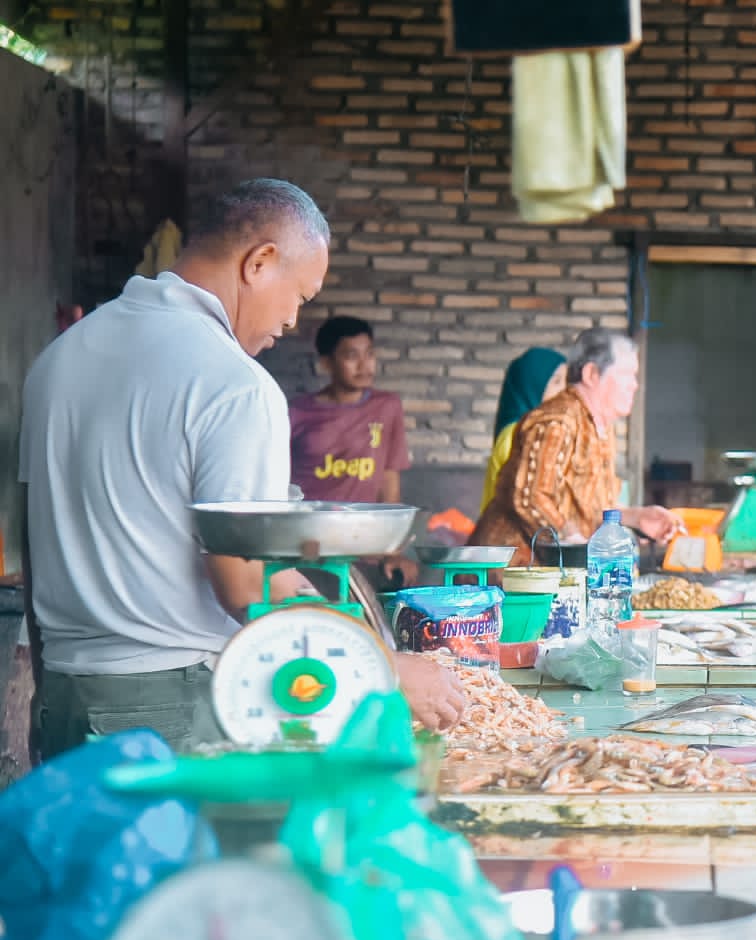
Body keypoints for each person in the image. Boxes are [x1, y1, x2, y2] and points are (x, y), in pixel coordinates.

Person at [19, 178, 466, 759]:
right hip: (169, 706)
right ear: (259, 262)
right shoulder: (235, 383)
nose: (291, 321)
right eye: (299, 296)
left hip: (62, 694)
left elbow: (33, 542)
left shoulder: (60, 357)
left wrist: (47, 689)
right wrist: (385, 665)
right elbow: (249, 584)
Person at [471, 328, 680, 561]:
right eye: (627, 375)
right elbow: (531, 498)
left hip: (555, 571)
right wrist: (575, 542)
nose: (635, 385)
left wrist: (636, 518)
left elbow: (588, 509)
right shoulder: (557, 421)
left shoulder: (601, 428)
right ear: (591, 374)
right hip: (511, 572)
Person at [289, 315, 416, 583]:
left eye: (369, 354)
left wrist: (393, 551)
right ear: (327, 362)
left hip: (365, 549)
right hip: (308, 548)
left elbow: (389, 479)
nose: (364, 365)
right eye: (351, 355)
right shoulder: (297, 412)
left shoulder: (387, 406)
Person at [481, 347, 568, 514]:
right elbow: (529, 503)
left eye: (566, 381)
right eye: (557, 382)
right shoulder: (516, 435)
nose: (565, 391)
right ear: (533, 387)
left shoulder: (539, 431)